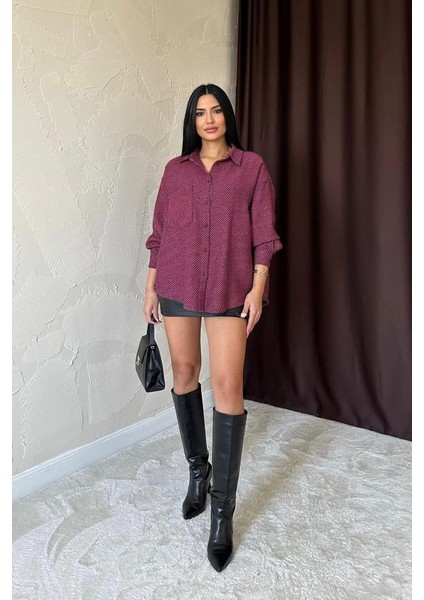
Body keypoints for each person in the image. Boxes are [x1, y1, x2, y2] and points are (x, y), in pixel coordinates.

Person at [144, 83, 282, 572]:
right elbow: (160, 235)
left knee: (228, 387)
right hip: (176, 285)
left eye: (216, 110)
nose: (209, 119)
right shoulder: (175, 171)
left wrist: (257, 288)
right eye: (200, 112)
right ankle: (197, 473)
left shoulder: (251, 168)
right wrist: (150, 288)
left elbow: (264, 237)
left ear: (227, 117)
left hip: (230, 289)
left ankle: (222, 512)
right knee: (184, 373)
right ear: (192, 120)